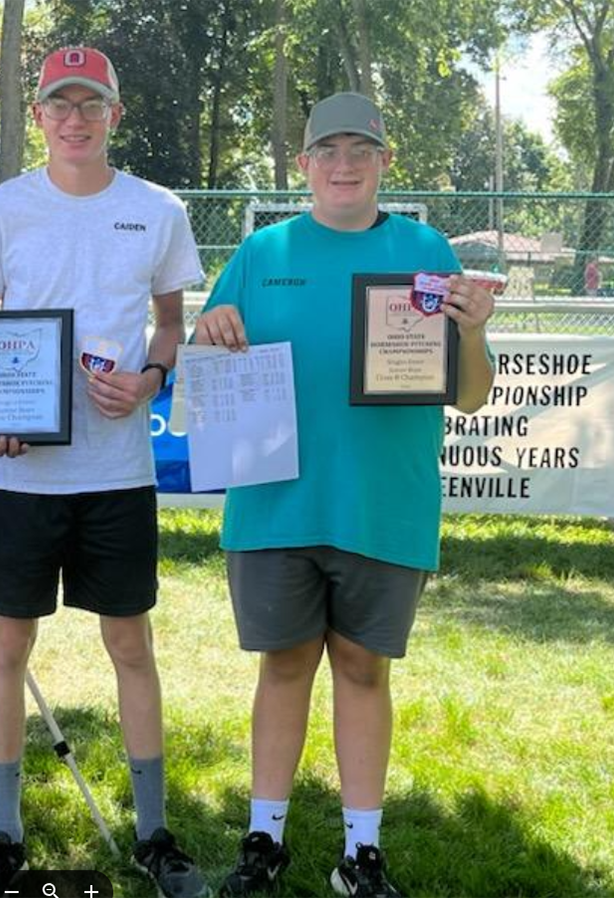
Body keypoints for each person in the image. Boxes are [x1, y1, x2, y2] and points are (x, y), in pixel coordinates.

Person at [194, 93, 496, 898]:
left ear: (385, 163)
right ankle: (265, 840)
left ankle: (361, 851)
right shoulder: (262, 251)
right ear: (303, 166)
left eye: (361, 148)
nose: (344, 163)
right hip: (275, 504)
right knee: (284, 665)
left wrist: (471, 328)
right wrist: (212, 327)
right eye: (327, 149)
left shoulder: (422, 248)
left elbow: (468, 398)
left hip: (381, 501)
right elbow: (207, 357)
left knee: (363, 669)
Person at [0, 46, 210, 898]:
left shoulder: (158, 209)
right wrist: (0, 413)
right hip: (21, 477)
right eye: (59, 104)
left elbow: (169, 326)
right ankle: (2, 837)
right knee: (5, 644)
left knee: (129, 642)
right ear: (39, 116)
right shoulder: (1, 209)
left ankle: (155, 833)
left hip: (116, 470)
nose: (74, 119)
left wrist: (149, 380)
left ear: (113, 115)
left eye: (89, 104)